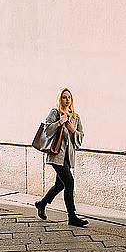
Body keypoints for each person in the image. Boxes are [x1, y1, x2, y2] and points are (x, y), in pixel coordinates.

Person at [35, 88, 88, 227]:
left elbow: (80, 137)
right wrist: (59, 122)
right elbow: (46, 130)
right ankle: (72, 216)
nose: (67, 100)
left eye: (69, 97)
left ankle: (42, 203)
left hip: (68, 156)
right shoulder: (55, 112)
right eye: (64, 97)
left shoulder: (75, 117)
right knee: (69, 182)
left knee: (60, 184)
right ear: (60, 99)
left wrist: (72, 130)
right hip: (56, 154)